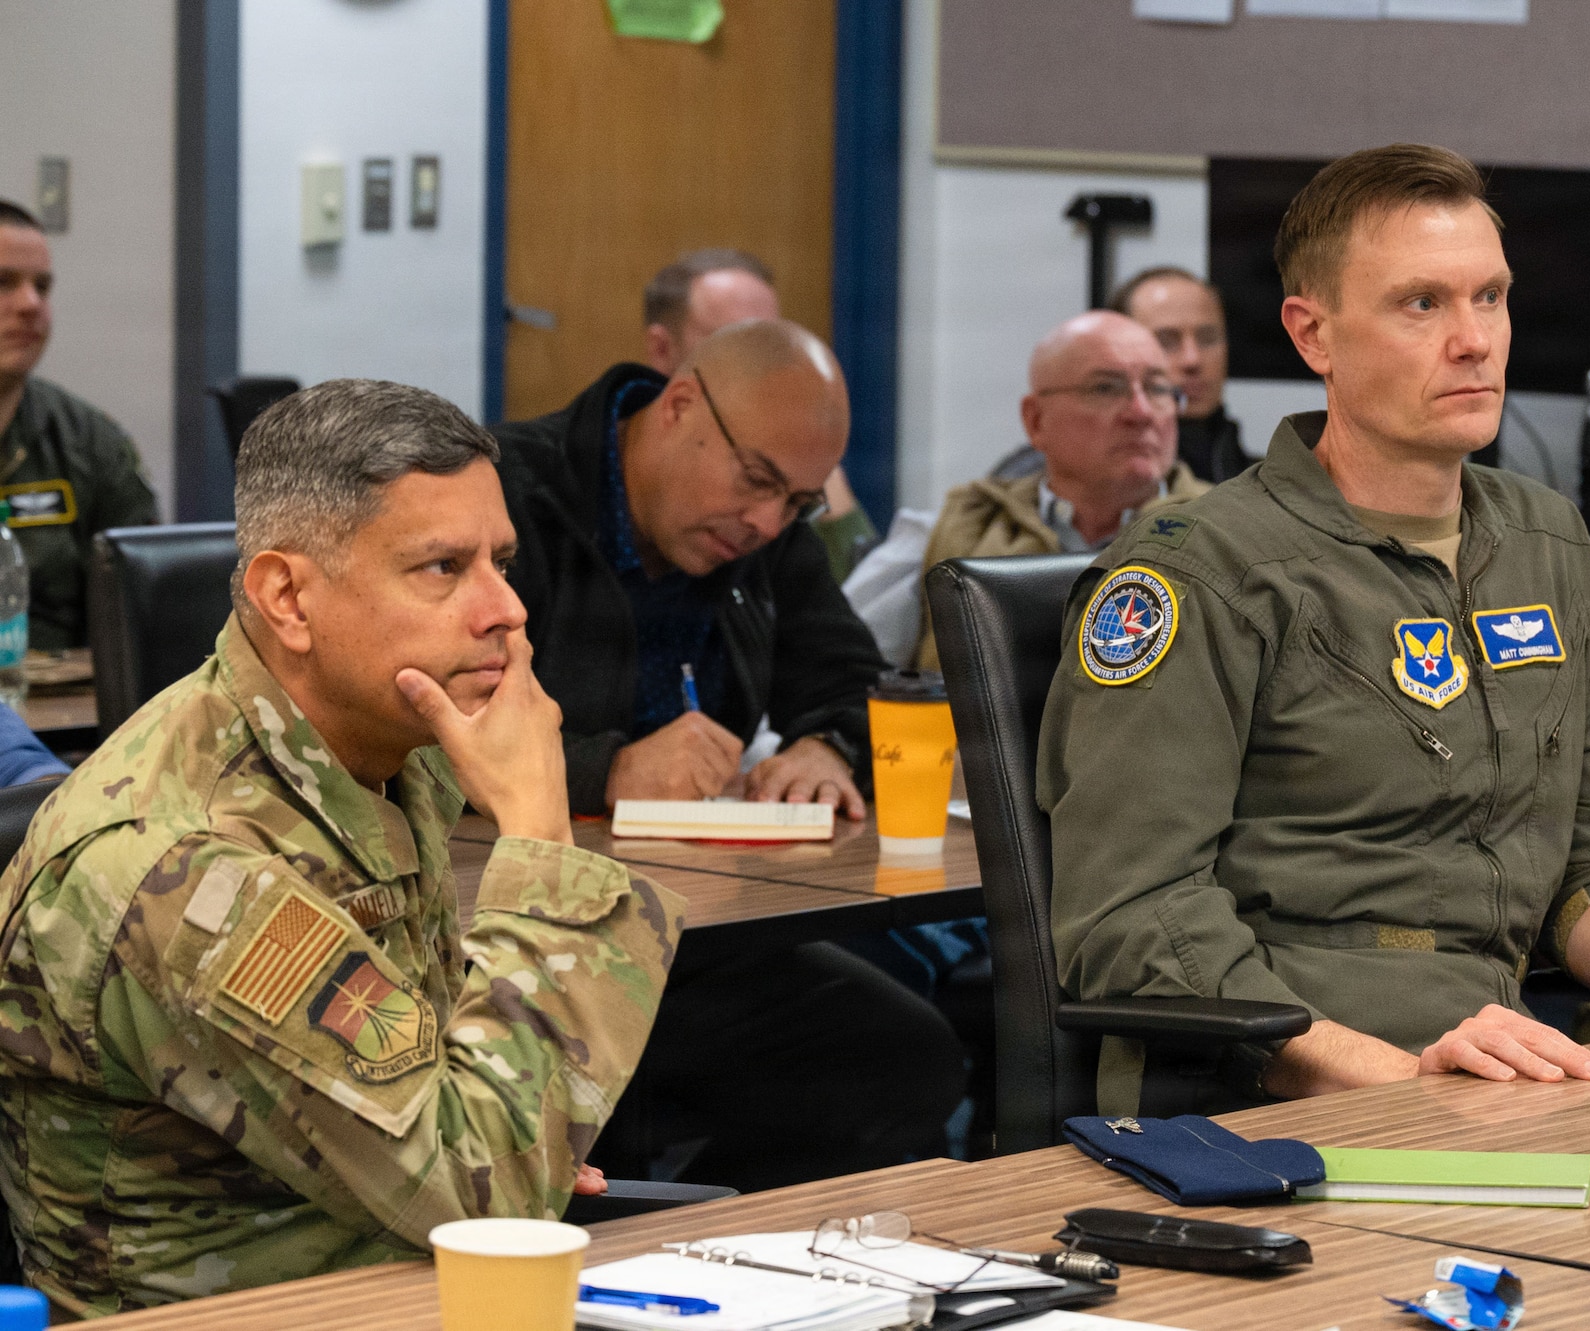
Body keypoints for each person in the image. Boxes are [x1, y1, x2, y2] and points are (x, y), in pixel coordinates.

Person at [1040, 143, 1590, 1115]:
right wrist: (1388, 1071)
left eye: (1487, 297)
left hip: (1518, 1074)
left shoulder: (1543, 542)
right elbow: (1129, 916)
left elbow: (1589, 863)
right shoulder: (1198, 572)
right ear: (1310, 333)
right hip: (1276, 1102)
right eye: (1421, 304)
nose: (1473, 339)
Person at [0, 379, 678, 1316]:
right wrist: (539, 834)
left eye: (502, 562)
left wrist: (518, 1123)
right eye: (443, 567)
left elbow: (455, 1115)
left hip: (390, 1278)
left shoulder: (390, 755)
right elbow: (488, 1189)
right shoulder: (186, 868)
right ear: (287, 597)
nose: (506, 610)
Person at [493, 318, 964, 1190]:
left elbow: (862, 683)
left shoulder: (764, 534)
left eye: (797, 504)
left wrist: (826, 747)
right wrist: (610, 767)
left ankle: (708, 1239)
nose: (764, 521)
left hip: (692, 935)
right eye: (755, 482)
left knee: (903, 1056)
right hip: (515, 939)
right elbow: (434, 724)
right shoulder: (509, 499)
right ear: (678, 406)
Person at [913, 311, 1208, 670]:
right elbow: (865, 681)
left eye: (1158, 388)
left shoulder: (1226, 528)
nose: (1141, 412)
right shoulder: (962, 526)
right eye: (1105, 388)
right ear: (1036, 420)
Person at [643, 247, 878, 582]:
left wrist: (830, 504)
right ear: (662, 349)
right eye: (735, 340)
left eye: (771, 343)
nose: (767, 525)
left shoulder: (797, 471)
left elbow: (872, 604)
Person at [0, 199, 159, 649]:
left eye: (42, 286)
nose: (31, 304)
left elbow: (145, 603)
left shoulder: (89, 442)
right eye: (3, 283)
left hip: (62, 708)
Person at [1111, 266, 1250, 483]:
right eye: (1166, 341)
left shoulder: (1270, 484)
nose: (1192, 360)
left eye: (1207, 338)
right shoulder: (1081, 484)